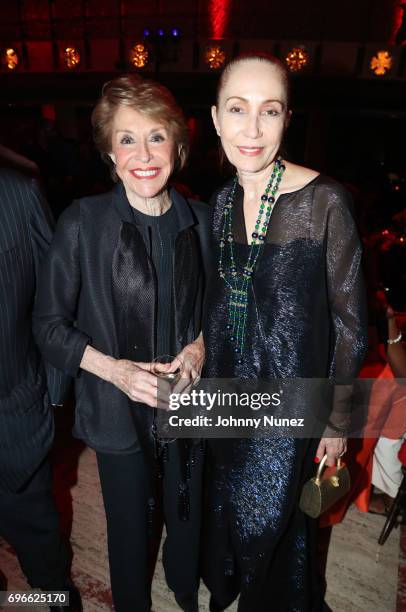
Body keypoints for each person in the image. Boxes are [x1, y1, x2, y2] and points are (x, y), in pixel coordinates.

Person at [33, 75, 209, 612]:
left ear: (178, 146)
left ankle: (185, 588)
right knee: (129, 528)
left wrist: (199, 345)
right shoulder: (83, 223)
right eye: (127, 139)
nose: (144, 154)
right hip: (114, 408)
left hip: (189, 400)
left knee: (187, 512)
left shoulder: (202, 220)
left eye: (156, 136)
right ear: (109, 150)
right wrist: (117, 371)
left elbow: (218, 308)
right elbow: (48, 327)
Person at [201, 53, 367, 611]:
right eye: (237, 110)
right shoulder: (220, 205)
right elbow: (221, 303)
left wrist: (337, 421)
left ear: (287, 118)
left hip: (291, 408)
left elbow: (350, 325)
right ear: (216, 119)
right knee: (240, 523)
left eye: (268, 111)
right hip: (228, 399)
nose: (252, 129)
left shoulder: (325, 202)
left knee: (267, 523)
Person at [0, 168, 80, 612]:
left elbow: (55, 302)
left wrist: (50, 395)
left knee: (45, 563)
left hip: (12, 423)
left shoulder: (17, 193)